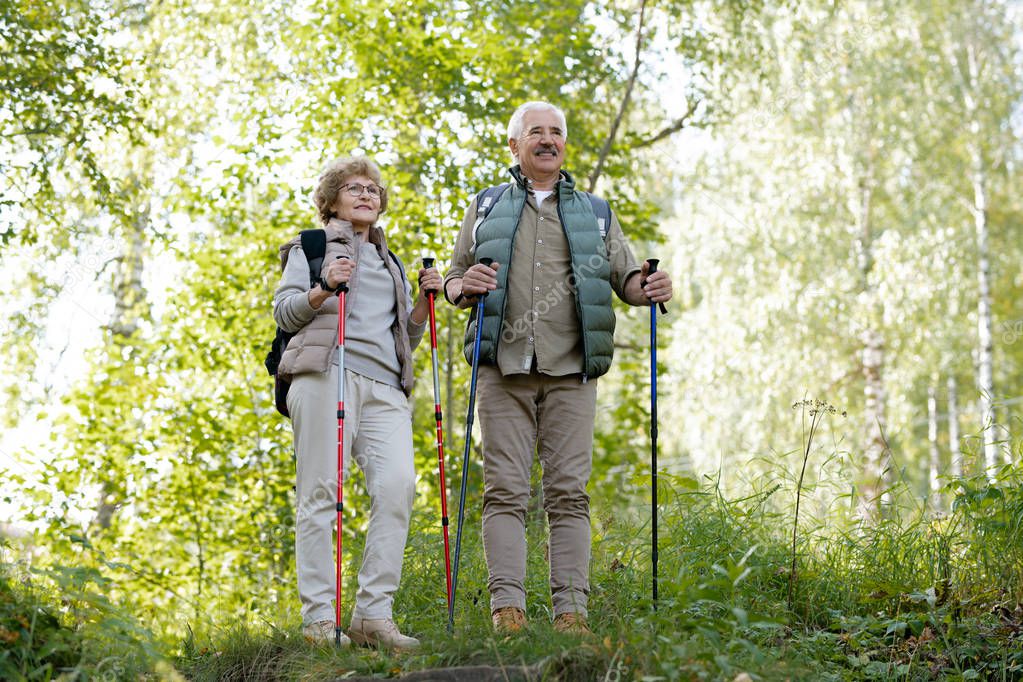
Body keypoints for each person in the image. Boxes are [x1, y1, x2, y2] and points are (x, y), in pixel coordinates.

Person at [443, 101, 673, 635]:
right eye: (536, 133)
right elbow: (455, 279)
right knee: (505, 490)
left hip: (573, 370)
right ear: (515, 146)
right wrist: (460, 287)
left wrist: (650, 288)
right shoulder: (484, 206)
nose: (548, 140)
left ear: (564, 144)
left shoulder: (596, 211)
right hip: (503, 368)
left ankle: (572, 613)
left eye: (556, 133)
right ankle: (509, 611)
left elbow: (627, 279)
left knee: (569, 493)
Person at [273, 156, 441, 649]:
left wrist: (422, 307)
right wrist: (325, 288)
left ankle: (372, 615)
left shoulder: (392, 262)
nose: (367, 194)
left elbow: (404, 336)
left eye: (373, 189)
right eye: (354, 188)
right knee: (321, 494)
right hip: (327, 374)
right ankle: (320, 623)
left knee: (397, 489)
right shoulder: (311, 246)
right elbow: (286, 313)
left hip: (387, 385)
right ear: (331, 199)